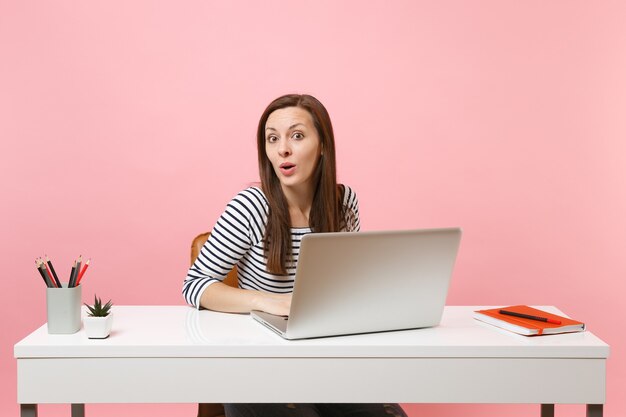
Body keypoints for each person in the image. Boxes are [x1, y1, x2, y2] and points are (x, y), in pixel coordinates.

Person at [183, 94, 407, 417]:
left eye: (296, 136)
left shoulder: (344, 203)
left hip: (326, 365)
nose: (282, 149)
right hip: (258, 367)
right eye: (272, 139)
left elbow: (344, 287)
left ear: (323, 145)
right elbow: (194, 285)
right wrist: (269, 302)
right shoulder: (251, 206)